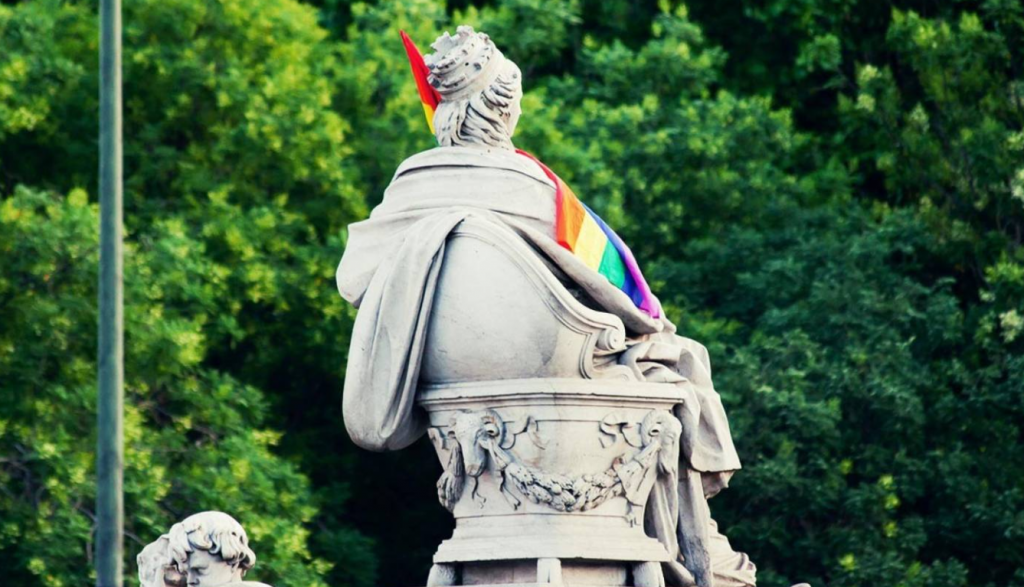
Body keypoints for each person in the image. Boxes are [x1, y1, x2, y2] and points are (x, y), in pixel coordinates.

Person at [338, 26, 766, 587]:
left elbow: (356, 280)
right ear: (504, 112)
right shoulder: (531, 189)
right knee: (673, 355)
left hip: (457, 403)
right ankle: (702, 548)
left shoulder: (406, 190)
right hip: (562, 377)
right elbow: (618, 294)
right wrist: (644, 324)